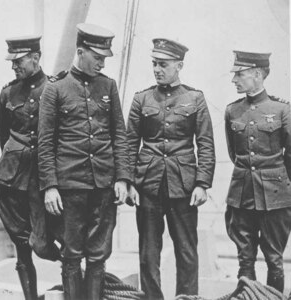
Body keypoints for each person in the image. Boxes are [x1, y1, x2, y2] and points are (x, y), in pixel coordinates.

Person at [38, 23, 131, 300]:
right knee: (71, 255)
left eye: (104, 58)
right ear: (80, 51)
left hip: (103, 184)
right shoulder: (55, 90)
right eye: (98, 57)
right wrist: (50, 186)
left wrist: (123, 178)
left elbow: (119, 135)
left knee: (98, 255)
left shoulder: (108, 87)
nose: (102, 63)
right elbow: (45, 143)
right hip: (69, 186)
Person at [127, 38, 215, 300]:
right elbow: (130, 143)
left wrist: (202, 184)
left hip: (184, 185)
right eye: (154, 63)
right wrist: (129, 182)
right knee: (148, 252)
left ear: (179, 65)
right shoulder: (141, 99)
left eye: (163, 64)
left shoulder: (195, 98)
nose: (157, 69)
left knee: (187, 250)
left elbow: (206, 144)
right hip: (148, 184)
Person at [0, 35, 61, 300]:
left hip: (46, 180)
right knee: (22, 248)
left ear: (35, 57)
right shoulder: (8, 93)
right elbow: (4, 137)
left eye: (19, 61)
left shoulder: (55, 88)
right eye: (12, 61)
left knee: (50, 242)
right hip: (13, 180)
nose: (14, 67)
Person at [224, 50, 291, 293]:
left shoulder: (282, 109)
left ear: (258, 74)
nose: (234, 80)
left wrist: (282, 185)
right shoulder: (232, 110)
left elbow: (290, 155)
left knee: (274, 260)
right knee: (245, 260)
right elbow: (234, 153)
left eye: (239, 74)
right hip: (241, 195)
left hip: (275, 196)